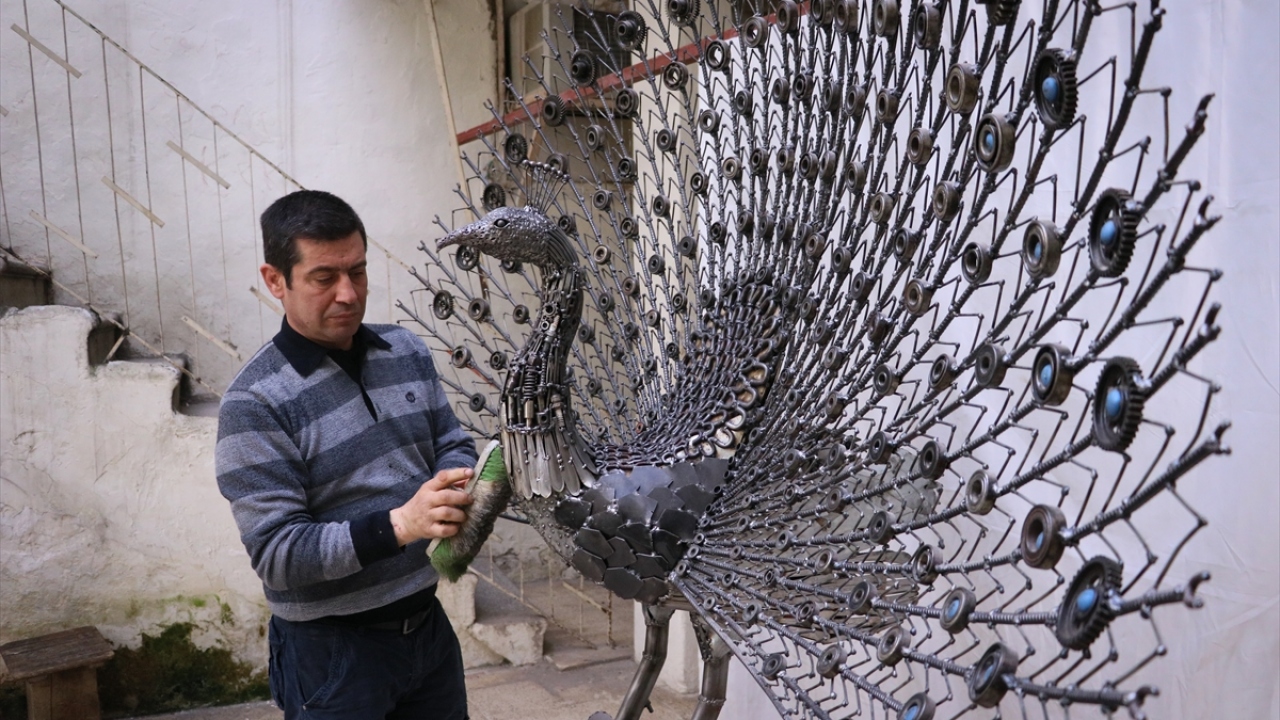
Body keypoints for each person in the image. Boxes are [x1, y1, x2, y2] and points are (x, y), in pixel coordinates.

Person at [216, 190, 477, 719]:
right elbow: (277, 556)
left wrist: (461, 481)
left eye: (357, 271)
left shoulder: (405, 349)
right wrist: (401, 524)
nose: (348, 294)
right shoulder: (254, 402)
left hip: (427, 631)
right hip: (330, 656)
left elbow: (451, 439)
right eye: (323, 278)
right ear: (275, 281)